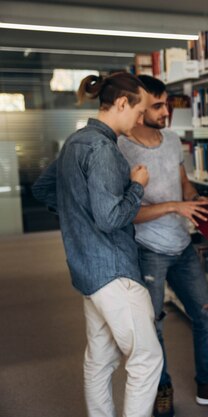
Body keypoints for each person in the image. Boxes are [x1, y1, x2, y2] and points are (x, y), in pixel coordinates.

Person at [32, 72, 163, 417]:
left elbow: (43, 190)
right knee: (147, 360)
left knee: (100, 360)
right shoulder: (104, 149)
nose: (140, 119)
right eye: (139, 110)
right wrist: (136, 186)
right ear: (122, 103)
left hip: (87, 270)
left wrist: (79, 215)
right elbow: (110, 218)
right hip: (114, 271)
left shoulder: (76, 141)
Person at [117, 75, 208, 417]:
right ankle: (162, 389)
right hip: (147, 250)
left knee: (207, 315)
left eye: (167, 103)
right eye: (157, 106)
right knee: (154, 324)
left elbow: (184, 187)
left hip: (182, 245)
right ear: (138, 109)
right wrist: (176, 207)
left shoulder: (173, 140)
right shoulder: (122, 149)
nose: (166, 112)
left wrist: (198, 203)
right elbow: (126, 213)